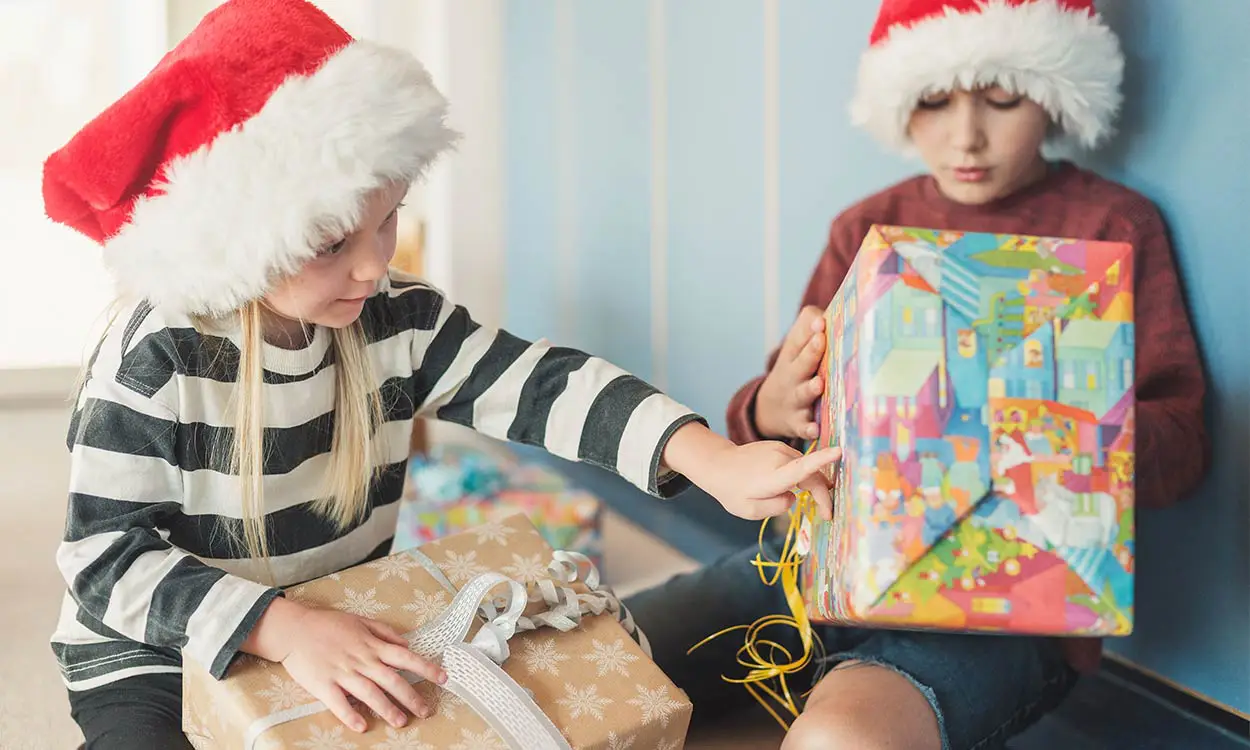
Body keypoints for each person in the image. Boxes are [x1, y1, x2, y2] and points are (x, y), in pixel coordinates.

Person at [43, 2, 841, 748]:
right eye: (330, 243)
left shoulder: (397, 318)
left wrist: (714, 459)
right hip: (155, 645)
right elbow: (104, 559)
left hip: (343, 610)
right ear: (240, 240)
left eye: (388, 218)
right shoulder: (157, 355)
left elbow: (545, 386)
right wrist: (280, 629)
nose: (373, 264)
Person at [623, 1, 1210, 748]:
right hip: (810, 571)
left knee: (843, 738)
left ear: (1060, 92)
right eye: (934, 102)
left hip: (1004, 610)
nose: (967, 135)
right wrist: (769, 405)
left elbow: (1185, 449)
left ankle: (847, 691)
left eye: (1003, 99)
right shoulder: (867, 227)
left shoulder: (1112, 228)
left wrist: (1071, 419)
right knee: (595, 654)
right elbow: (777, 418)